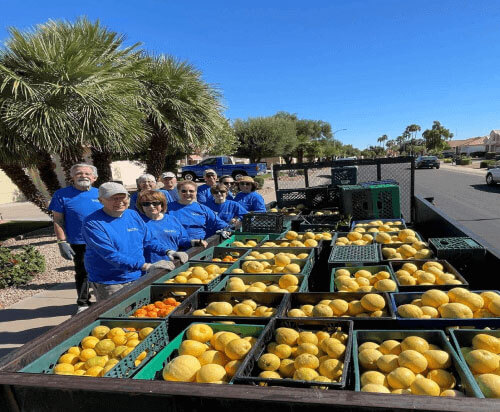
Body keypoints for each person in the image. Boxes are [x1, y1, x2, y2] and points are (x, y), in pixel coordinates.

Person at [82, 182, 174, 301]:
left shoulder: (132, 214)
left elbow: (148, 240)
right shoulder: (92, 223)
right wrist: (146, 266)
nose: (119, 201)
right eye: (114, 198)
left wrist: (168, 251)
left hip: (138, 276)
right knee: (117, 317)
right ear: (101, 200)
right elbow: (110, 255)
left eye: (123, 197)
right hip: (110, 282)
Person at [48, 163, 103, 313]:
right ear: (72, 177)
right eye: (79, 173)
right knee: (83, 272)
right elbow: (58, 220)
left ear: (94, 178)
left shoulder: (101, 194)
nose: (83, 176)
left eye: (87, 173)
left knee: (106, 270)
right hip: (79, 243)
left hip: (102, 241)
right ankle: (83, 303)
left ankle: (105, 299)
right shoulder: (61, 195)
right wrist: (61, 242)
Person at [136, 190, 193, 263]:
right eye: (146, 204)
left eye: (155, 203)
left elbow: (182, 239)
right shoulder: (138, 223)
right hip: (150, 268)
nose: (151, 206)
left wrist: (193, 242)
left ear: (162, 205)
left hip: (173, 262)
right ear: (141, 206)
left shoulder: (172, 219)